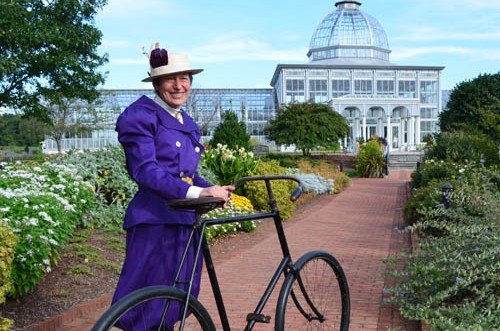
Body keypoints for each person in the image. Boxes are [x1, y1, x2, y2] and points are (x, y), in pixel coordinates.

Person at [111, 43, 234, 329]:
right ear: (156, 82)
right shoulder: (139, 116)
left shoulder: (186, 121)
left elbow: (185, 173)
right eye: (170, 78)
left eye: (185, 78)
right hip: (155, 221)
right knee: (147, 304)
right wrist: (198, 193)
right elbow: (146, 170)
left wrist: (211, 187)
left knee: (176, 301)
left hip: (184, 220)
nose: (179, 85)